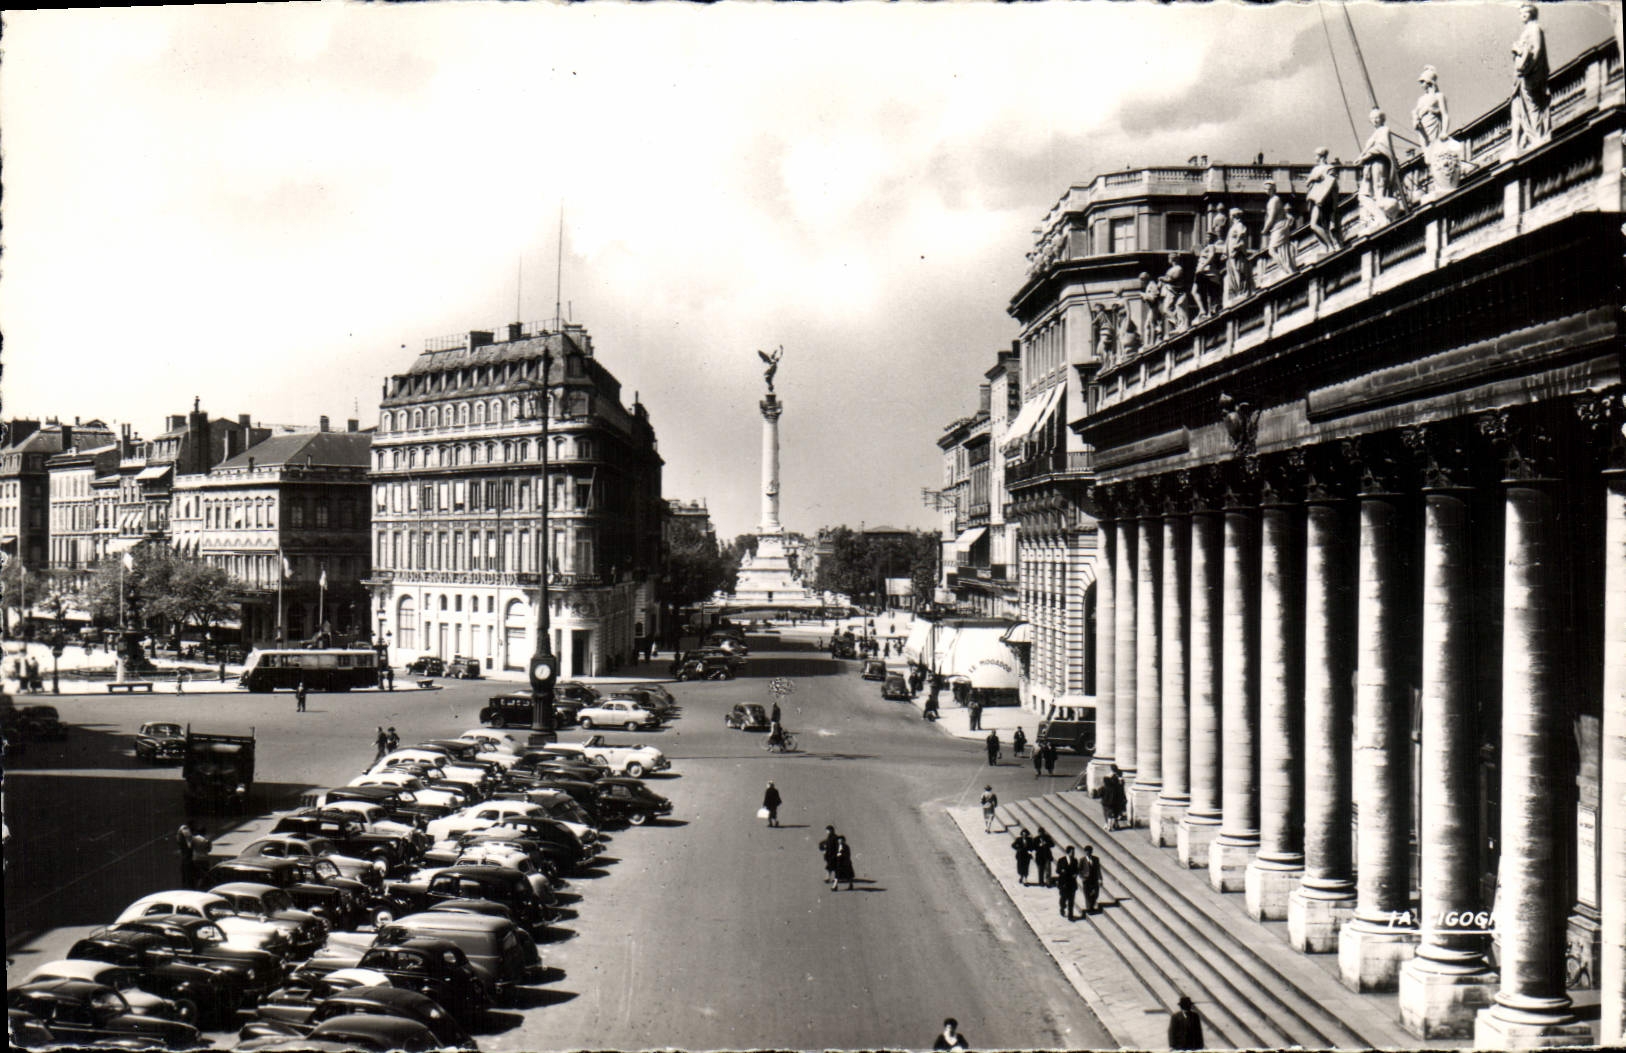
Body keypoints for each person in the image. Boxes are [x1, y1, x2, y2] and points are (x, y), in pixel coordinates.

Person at [1510, 3, 1549, 155]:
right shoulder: (1527, 30)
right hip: (1523, 75)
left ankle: (1537, 136)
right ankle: (1532, 137)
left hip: (1531, 74)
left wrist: (1528, 67)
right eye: (1521, 13)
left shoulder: (1534, 29)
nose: (1523, 15)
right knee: (1523, 108)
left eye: (1525, 12)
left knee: (1533, 106)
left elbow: (1537, 50)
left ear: (1532, 13)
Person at [1304, 147, 1342, 253]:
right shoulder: (1315, 169)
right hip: (1315, 199)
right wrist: (1313, 179)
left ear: (1321, 156)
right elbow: (1307, 183)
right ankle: (1327, 245)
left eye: (1316, 155)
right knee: (1317, 224)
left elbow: (1331, 184)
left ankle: (1330, 245)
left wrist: (1323, 197)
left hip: (1323, 200)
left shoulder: (1329, 168)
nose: (1315, 157)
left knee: (1315, 224)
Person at [1262, 180, 1295, 278]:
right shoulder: (1272, 200)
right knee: (1281, 249)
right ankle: (1288, 269)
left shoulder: (1274, 200)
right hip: (1277, 227)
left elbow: (1271, 217)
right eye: (1266, 189)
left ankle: (1288, 270)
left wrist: (1265, 229)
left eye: (1270, 189)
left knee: (1272, 250)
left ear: (1274, 189)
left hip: (1279, 227)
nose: (1268, 191)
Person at [1055, 845, 1080, 920]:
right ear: (1068, 852)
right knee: (1063, 898)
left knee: (1071, 900)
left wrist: (1076, 874)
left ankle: (1070, 915)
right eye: (1072, 852)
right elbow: (1057, 870)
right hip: (1063, 883)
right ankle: (1062, 908)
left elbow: (1076, 870)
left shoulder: (1075, 860)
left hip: (1072, 883)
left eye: (1074, 852)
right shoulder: (1061, 860)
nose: (1073, 854)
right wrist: (1061, 871)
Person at [188, 825, 213, 890]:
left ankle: (195, 888)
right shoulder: (206, 840)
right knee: (205, 875)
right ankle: (203, 887)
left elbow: (190, 847)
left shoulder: (193, 839)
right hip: (204, 859)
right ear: (204, 832)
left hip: (195, 858)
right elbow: (209, 849)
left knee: (195, 875)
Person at [1080, 845, 1103, 914]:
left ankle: (1092, 906)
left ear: (1091, 852)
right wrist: (1082, 877)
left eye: (1089, 852)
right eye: (1087, 852)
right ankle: (1089, 908)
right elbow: (1079, 870)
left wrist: (1100, 879)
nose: (1088, 853)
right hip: (1086, 880)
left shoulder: (1096, 859)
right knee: (1087, 894)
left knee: (1095, 893)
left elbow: (1098, 869)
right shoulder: (1082, 860)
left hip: (1094, 879)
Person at [176, 822, 195, 887]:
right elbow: (189, 844)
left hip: (185, 856)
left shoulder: (183, 829)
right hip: (187, 857)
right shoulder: (185, 830)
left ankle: (185, 883)